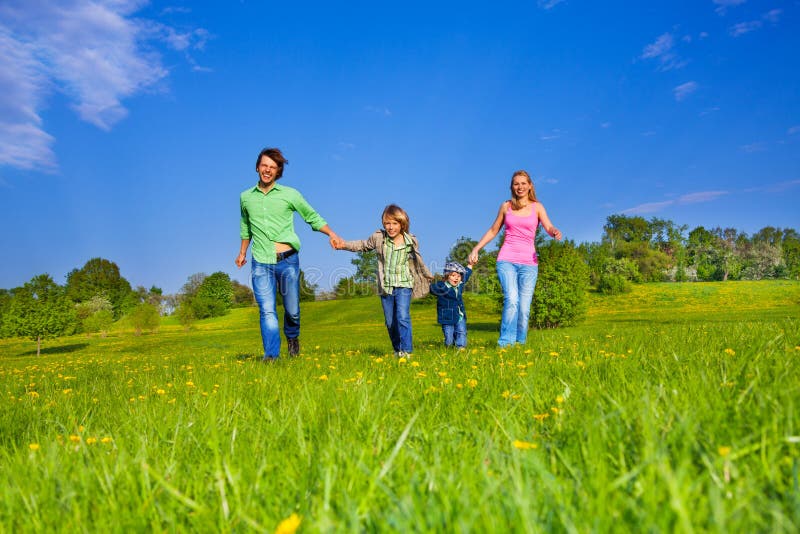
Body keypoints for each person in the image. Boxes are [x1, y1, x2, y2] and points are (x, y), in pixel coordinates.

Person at [236, 147, 341, 361]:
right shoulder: (245, 198)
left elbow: (311, 216)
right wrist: (242, 252)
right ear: (257, 167)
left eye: (272, 168)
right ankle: (271, 357)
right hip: (260, 262)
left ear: (278, 172)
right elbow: (246, 227)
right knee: (267, 311)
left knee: (292, 310)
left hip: (288, 260)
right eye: (264, 165)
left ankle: (292, 338)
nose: (267, 170)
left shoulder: (290, 194)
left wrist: (331, 233)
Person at [468, 170, 562, 347]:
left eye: (523, 183)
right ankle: (505, 343)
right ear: (512, 186)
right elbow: (494, 230)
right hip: (507, 260)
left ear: (530, 185)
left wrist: (554, 232)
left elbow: (548, 226)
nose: (520, 187)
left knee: (524, 308)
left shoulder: (537, 207)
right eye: (516, 183)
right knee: (511, 300)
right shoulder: (506, 206)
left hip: (529, 263)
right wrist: (476, 248)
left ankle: (520, 343)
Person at [335, 204, 433, 358]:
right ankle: (397, 349)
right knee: (390, 322)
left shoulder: (411, 241)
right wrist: (344, 245)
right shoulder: (379, 238)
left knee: (402, 316)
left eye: (395, 223)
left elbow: (418, 262)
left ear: (402, 224)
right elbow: (363, 245)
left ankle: (407, 351)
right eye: (387, 223)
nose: (391, 227)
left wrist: (426, 275)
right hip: (386, 286)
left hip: (404, 284)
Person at [430, 260, 474, 349]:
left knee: (461, 331)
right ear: (447, 276)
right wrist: (427, 280)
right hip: (447, 316)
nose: (456, 278)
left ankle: (461, 347)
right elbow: (431, 288)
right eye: (453, 275)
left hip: (459, 314)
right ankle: (449, 347)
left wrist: (470, 265)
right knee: (449, 337)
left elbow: (466, 275)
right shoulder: (441, 286)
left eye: (458, 276)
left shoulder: (460, 285)